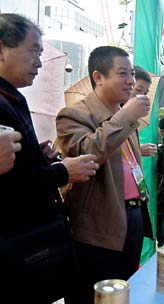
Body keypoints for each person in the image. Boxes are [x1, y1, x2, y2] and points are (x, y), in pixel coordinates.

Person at [0, 13, 98, 303]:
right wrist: (63, 171)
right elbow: (13, 186)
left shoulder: (14, 99)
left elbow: (15, 169)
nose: (39, 63)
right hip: (18, 244)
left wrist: (37, 156)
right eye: (33, 51)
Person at [56, 46, 154, 303]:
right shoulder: (73, 115)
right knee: (96, 294)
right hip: (98, 225)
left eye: (131, 74)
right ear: (98, 77)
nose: (131, 81)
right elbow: (86, 153)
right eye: (122, 74)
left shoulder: (124, 118)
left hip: (132, 217)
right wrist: (125, 116)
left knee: (125, 290)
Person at [130, 65, 156, 158]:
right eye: (138, 89)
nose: (142, 96)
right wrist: (138, 150)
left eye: (145, 93)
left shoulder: (132, 119)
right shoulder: (112, 116)